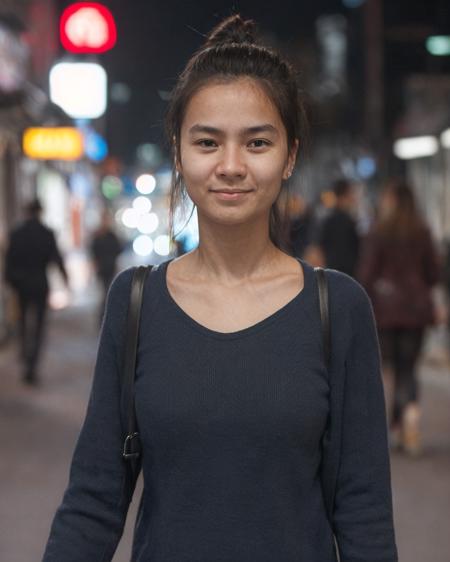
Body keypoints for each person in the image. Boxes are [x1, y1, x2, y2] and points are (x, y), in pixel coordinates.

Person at [42, 15, 397, 562]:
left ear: (290, 156)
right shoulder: (135, 303)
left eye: (257, 142)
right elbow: (94, 499)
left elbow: (364, 511)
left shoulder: (338, 307)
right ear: (179, 155)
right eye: (208, 142)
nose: (231, 166)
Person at [358, 179, 440, 456]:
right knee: (409, 368)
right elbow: (434, 273)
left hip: (387, 310)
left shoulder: (379, 231)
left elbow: (367, 274)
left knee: (390, 370)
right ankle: (410, 420)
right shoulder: (423, 230)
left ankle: (395, 425)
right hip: (417, 310)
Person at [4, 198, 69, 385]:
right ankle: (32, 364)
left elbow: (9, 262)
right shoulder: (47, 233)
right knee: (39, 325)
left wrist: (10, 282)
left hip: (22, 285)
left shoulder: (17, 233)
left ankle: (25, 354)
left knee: (23, 321)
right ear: (40, 212)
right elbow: (56, 258)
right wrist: (66, 279)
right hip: (40, 284)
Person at [318, 178, 360, 277]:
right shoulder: (347, 221)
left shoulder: (328, 220)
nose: (353, 198)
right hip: (347, 274)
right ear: (344, 196)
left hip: (331, 271)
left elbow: (322, 245)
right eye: (351, 194)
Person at [89, 209, 123, 324]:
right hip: (103, 269)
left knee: (108, 292)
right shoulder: (99, 235)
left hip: (110, 268)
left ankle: (105, 317)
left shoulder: (111, 236)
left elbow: (118, 249)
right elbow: (93, 251)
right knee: (105, 293)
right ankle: (104, 317)